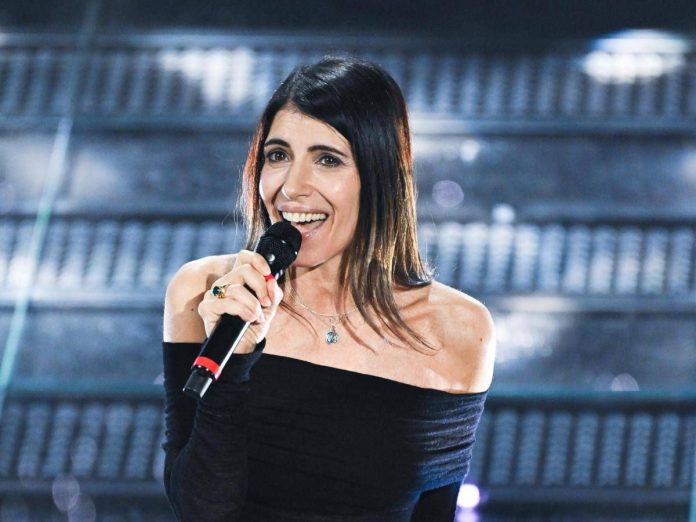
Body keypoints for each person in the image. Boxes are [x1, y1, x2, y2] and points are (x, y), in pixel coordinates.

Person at [161, 55, 496, 522]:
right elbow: (200, 510)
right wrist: (234, 363)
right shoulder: (207, 293)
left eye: (327, 160)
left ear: (379, 175)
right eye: (278, 156)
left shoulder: (458, 329)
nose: (292, 187)